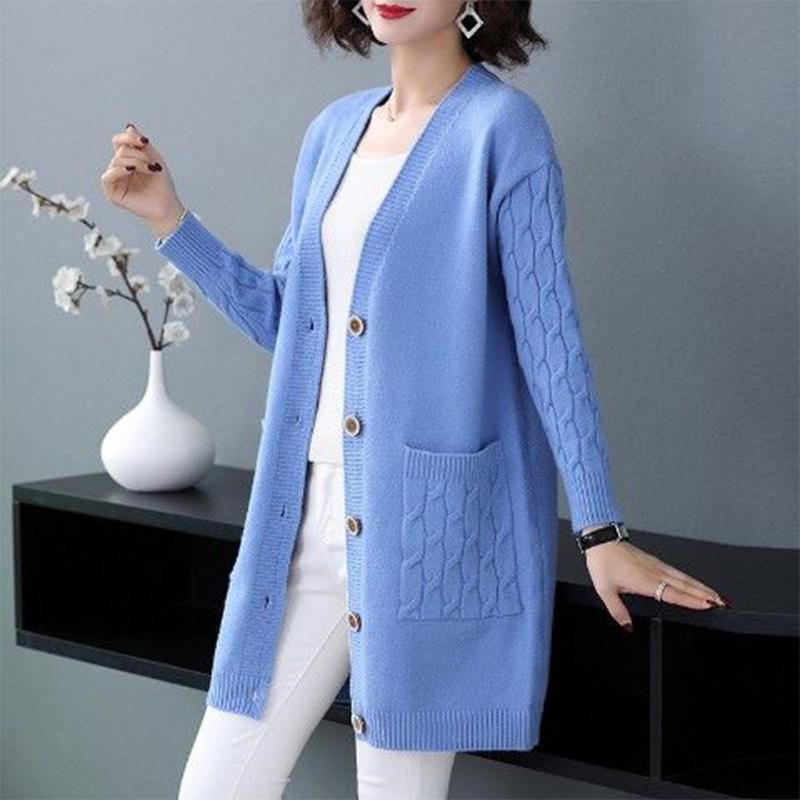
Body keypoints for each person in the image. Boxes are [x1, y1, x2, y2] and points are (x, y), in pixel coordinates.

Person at [100, 1, 731, 797]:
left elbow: (550, 343)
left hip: (427, 530)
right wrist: (170, 219)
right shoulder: (332, 131)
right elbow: (289, 325)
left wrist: (602, 530)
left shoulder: (503, 130)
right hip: (300, 516)